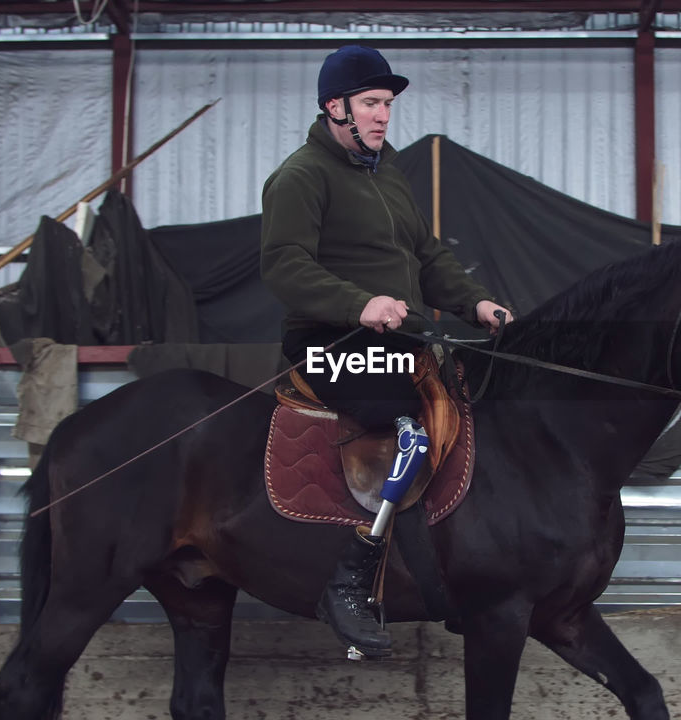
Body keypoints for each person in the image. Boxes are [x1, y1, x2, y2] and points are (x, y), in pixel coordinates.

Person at [259, 45, 513, 658]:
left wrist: (475, 302)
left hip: (395, 339)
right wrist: (361, 305)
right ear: (334, 107)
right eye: (371, 104)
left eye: (388, 105)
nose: (382, 116)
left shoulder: (388, 173)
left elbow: (428, 257)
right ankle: (348, 579)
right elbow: (283, 265)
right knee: (410, 432)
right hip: (330, 342)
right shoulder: (299, 177)